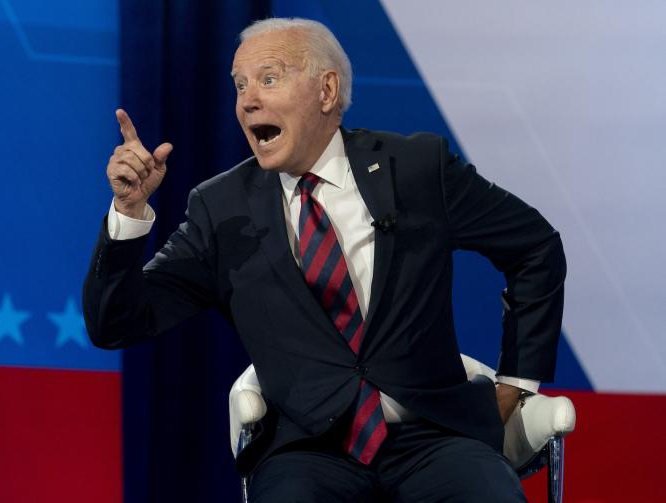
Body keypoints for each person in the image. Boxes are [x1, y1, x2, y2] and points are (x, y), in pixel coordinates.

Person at [84, 17, 565, 502]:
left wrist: (517, 382)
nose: (248, 100)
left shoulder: (416, 168)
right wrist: (128, 215)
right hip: (308, 452)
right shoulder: (221, 208)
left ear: (327, 90)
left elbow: (534, 246)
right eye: (240, 85)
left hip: (436, 438)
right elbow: (116, 324)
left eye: (269, 79)